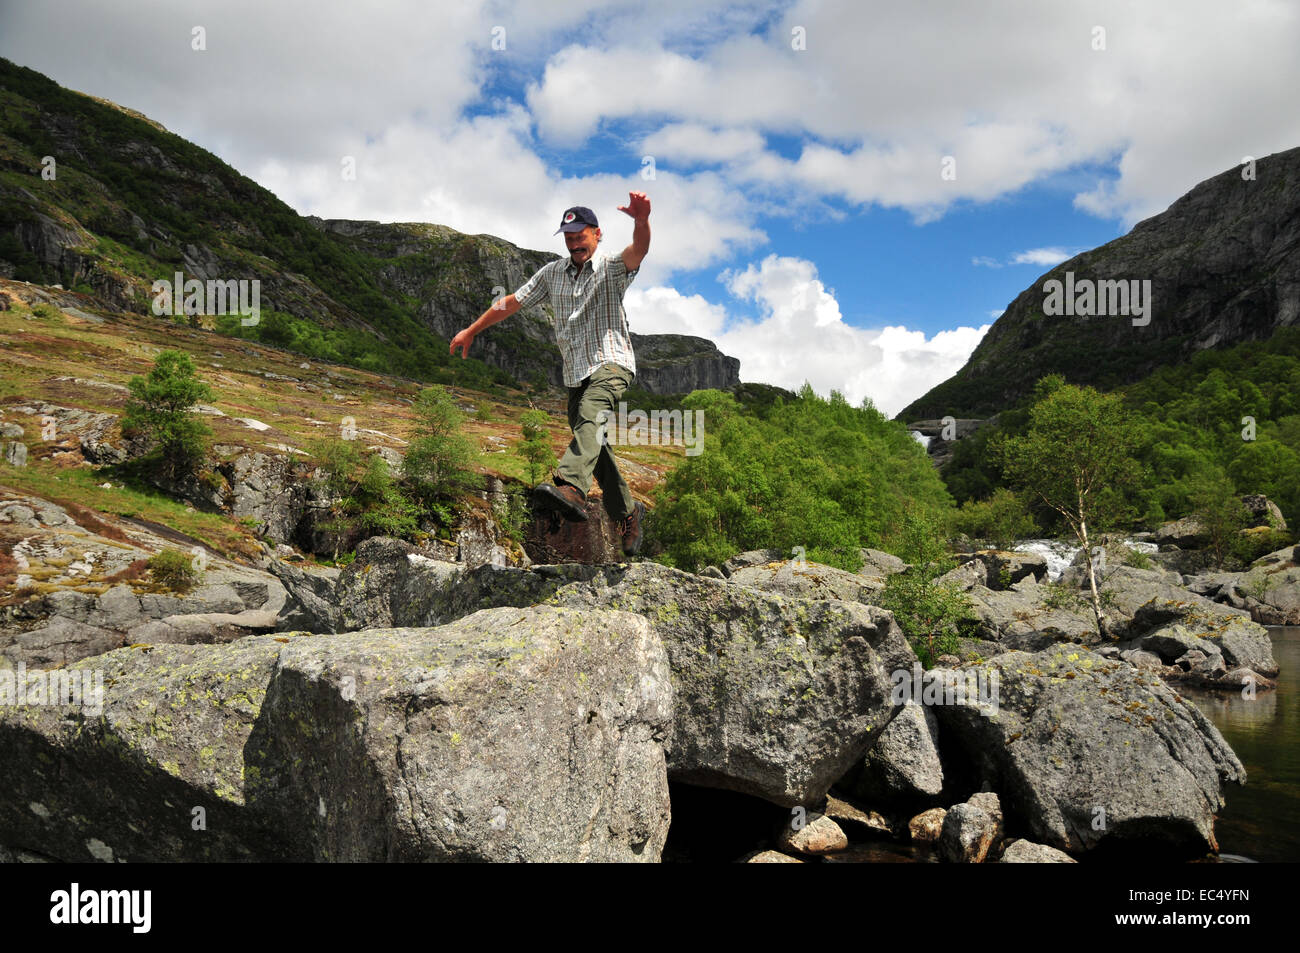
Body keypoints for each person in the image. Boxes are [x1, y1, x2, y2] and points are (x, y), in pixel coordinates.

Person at [450, 192, 651, 556]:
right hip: (575, 373)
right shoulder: (552, 274)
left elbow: (639, 249)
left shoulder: (611, 268)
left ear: (597, 234)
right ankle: (628, 513)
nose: (575, 243)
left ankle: (571, 486)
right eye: (569, 237)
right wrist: (472, 329)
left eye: (581, 235)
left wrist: (641, 220)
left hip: (612, 363)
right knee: (594, 445)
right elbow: (510, 302)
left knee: (590, 416)